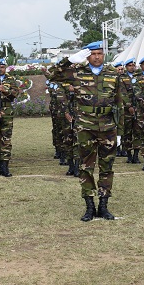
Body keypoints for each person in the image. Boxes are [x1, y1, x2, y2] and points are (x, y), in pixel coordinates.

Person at [50, 41, 124, 221]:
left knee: (107, 167)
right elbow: (51, 75)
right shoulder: (77, 73)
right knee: (86, 167)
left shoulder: (113, 74)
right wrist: (68, 61)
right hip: (86, 126)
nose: (97, 57)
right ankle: (89, 206)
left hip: (108, 127)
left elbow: (120, 103)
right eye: (93, 54)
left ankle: (104, 205)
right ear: (87, 56)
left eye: (100, 53)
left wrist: (120, 131)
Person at [121, 57, 138, 163]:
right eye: (130, 66)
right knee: (127, 132)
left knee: (138, 132)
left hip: (139, 109)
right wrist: (129, 106)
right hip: (126, 110)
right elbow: (122, 93)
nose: (132, 67)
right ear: (126, 67)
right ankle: (128, 154)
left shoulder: (139, 77)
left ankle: (136, 155)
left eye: (133, 65)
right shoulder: (122, 77)